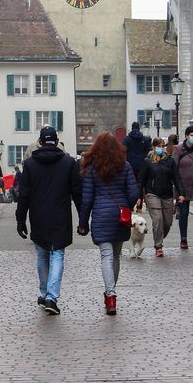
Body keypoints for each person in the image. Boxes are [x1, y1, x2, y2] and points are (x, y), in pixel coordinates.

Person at [16, 126, 82, 315]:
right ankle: (51, 297)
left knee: (42, 254)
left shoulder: (30, 164)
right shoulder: (69, 163)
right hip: (61, 214)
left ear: (41, 141)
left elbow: (24, 195)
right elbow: (77, 192)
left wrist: (20, 219)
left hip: (38, 215)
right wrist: (83, 219)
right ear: (57, 141)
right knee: (57, 254)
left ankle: (45, 293)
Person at [79, 132, 141, 315]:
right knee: (115, 255)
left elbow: (87, 199)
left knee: (106, 255)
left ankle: (110, 295)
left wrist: (83, 222)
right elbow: (133, 192)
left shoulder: (91, 169)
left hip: (100, 215)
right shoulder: (125, 166)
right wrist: (126, 207)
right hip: (120, 216)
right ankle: (111, 291)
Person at [136, 138, 184, 257]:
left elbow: (176, 178)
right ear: (153, 147)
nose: (160, 148)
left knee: (167, 223)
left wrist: (181, 193)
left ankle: (160, 236)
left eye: (162, 146)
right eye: (158, 146)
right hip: (152, 194)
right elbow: (141, 180)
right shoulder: (148, 161)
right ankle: (158, 246)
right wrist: (139, 199)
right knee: (158, 220)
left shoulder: (170, 161)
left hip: (167, 194)